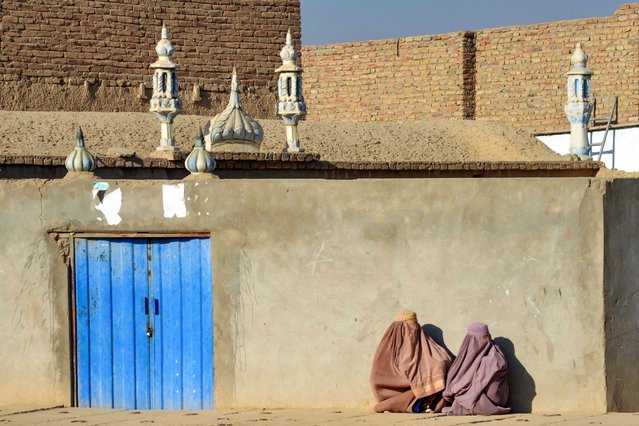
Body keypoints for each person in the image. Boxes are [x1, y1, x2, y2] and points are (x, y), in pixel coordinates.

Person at [370, 310, 453, 413]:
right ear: (400, 327)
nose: (412, 329)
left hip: (419, 390)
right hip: (401, 390)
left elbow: (440, 358)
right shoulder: (388, 346)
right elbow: (377, 376)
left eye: (414, 324)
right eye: (409, 325)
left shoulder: (423, 341)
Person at [442, 323, 511, 415]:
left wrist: (460, 391)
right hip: (498, 399)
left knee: (462, 397)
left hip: (491, 401)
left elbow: (477, 386)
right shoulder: (495, 353)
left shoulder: (491, 360)